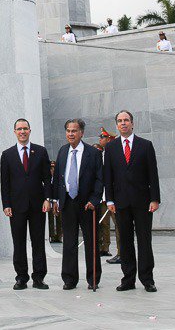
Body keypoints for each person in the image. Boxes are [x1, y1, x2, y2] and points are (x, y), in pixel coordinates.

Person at [104, 110, 161, 292]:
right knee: (125, 242)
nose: (123, 123)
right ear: (117, 125)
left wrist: (155, 199)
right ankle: (128, 279)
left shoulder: (145, 145)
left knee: (144, 241)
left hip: (143, 202)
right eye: (120, 121)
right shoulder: (111, 148)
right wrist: (109, 200)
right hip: (120, 203)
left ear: (132, 123)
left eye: (126, 120)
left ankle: (147, 279)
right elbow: (108, 176)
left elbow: (153, 174)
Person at [0, 118, 52, 290]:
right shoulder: (7, 155)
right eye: (19, 129)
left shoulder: (41, 151)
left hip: (38, 205)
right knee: (19, 242)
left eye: (25, 128)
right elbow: (5, 183)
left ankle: (39, 277)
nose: (22, 131)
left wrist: (47, 199)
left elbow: (47, 178)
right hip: (16, 206)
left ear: (30, 131)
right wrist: (6, 204)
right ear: (14, 132)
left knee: (38, 242)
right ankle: (21, 277)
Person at [52, 118, 103, 290]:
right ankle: (69, 278)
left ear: (82, 133)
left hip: (87, 203)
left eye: (74, 131)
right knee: (69, 243)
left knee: (91, 241)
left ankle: (93, 278)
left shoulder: (93, 153)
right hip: (67, 202)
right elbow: (58, 177)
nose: (71, 134)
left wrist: (94, 200)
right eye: (68, 130)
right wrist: (55, 199)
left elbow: (99, 179)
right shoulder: (62, 151)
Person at [96, 129, 121, 262]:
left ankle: (121, 252)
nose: (100, 139)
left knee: (118, 225)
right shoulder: (103, 154)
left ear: (109, 139)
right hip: (104, 197)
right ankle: (104, 248)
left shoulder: (114, 154)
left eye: (103, 137)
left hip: (114, 197)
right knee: (103, 224)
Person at [47, 160, 62, 243]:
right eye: (51, 168)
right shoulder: (47, 178)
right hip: (50, 200)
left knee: (59, 219)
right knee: (50, 219)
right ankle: (51, 236)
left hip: (58, 200)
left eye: (54, 168)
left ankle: (59, 236)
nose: (52, 170)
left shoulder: (59, 178)